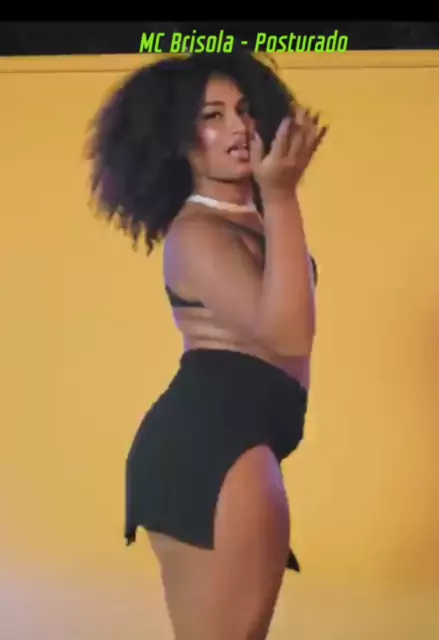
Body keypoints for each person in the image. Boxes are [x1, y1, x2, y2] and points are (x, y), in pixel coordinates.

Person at [86, 51, 327, 640]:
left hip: (235, 441)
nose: (239, 127)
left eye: (244, 110)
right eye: (212, 116)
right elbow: (288, 333)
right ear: (178, 139)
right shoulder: (196, 233)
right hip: (214, 447)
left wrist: (276, 200)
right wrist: (283, 195)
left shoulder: (253, 220)